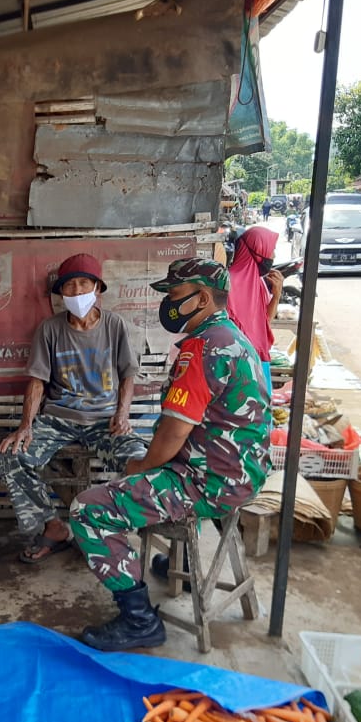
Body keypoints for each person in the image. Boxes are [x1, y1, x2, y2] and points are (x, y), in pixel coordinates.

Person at [69, 258, 271, 652]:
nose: (169, 305)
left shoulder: (201, 349)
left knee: (86, 510)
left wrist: (139, 469)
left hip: (209, 482)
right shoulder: (232, 336)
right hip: (244, 471)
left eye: (176, 296)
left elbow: (174, 431)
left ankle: (140, 620)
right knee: (154, 464)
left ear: (205, 298)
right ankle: (180, 569)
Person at [0, 253, 148, 563]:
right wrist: (26, 426)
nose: (77, 292)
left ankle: (111, 528)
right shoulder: (49, 329)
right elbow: (38, 381)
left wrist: (122, 414)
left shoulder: (114, 325)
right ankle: (53, 527)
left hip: (104, 419)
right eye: (69, 287)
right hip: (58, 419)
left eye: (84, 284)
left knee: (141, 460)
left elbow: (128, 374)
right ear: (61, 294)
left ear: (97, 289)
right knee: (12, 456)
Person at [227, 226, 285, 389]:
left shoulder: (259, 282)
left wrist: (277, 295)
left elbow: (265, 322)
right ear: (258, 250)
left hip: (260, 360)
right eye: (271, 250)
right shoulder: (227, 282)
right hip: (238, 366)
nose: (273, 255)